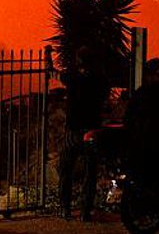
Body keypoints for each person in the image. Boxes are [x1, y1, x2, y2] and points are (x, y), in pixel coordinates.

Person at [56, 45, 111, 221]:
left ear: (79, 60)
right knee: (90, 171)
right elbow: (105, 98)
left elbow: (55, 73)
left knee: (66, 169)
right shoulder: (101, 80)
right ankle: (85, 210)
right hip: (92, 130)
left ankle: (65, 208)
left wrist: (48, 59)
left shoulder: (73, 78)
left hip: (73, 130)